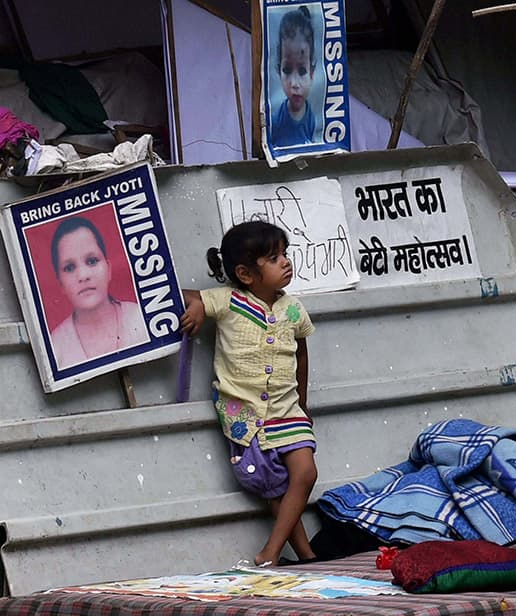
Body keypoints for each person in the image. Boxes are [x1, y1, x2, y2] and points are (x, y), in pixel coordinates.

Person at [181, 220, 318, 567]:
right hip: (245, 415)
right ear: (245, 274)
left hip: (288, 410)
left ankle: (270, 552)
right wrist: (196, 306)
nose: (286, 262)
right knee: (274, 487)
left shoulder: (293, 308)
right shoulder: (228, 301)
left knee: (305, 474)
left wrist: (303, 401)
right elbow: (186, 295)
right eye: (274, 258)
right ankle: (305, 554)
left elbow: (301, 353)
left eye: (285, 254)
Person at [48, 215, 147, 368]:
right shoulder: (55, 348)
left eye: (92, 261)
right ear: (60, 284)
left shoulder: (141, 319)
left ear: (109, 269)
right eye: (69, 268)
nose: (83, 276)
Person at [270, 6, 318, 147]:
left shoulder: (311, 117)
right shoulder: (276, 121)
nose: (294, 83)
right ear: (279, 71)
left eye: (302, 71)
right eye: (287, 70)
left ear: (312, 72)